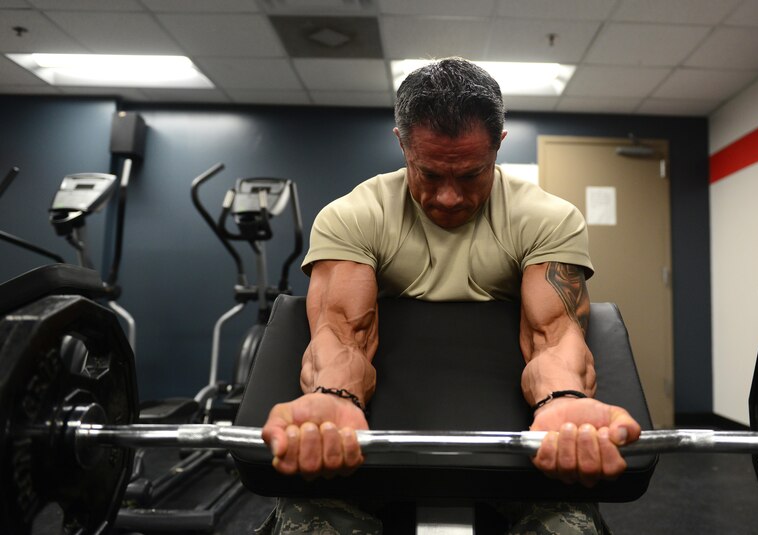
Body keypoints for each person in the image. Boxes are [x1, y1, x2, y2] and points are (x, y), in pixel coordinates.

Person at [259, 57, 641, 535]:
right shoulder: (354, 216)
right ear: (402, 144)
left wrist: (561, 399)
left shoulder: (546, 218)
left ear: (499, 146)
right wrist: (335, 394)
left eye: (470, 174)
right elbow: (341, 330)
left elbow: (553, 333)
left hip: (514, 448)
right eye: (431, 173)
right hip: (377, 443)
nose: (449, 198)